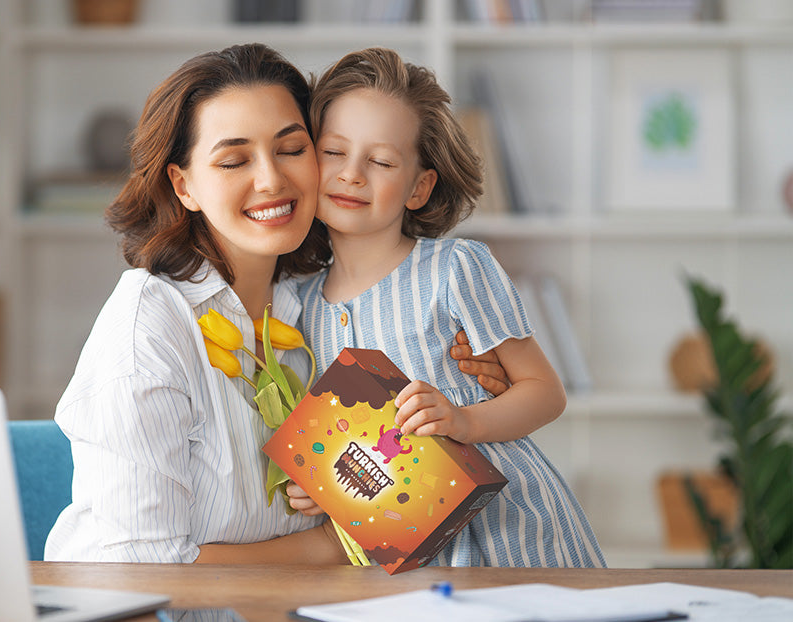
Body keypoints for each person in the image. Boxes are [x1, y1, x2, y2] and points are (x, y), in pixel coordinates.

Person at [43, 43, 508, 565]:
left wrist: (467, 372)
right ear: (184, 185)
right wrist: (331, 545)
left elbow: (390, 484)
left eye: (291, 149)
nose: (271, 180)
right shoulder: (150, 326)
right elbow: (141, 571)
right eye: (233, 160)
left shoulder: (311, 308)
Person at [292, 48, 605, 567]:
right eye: (334, 152)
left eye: (382, 161)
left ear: (419, 186)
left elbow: (545, 393)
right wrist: (320, 488)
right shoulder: (299, 307)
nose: (351, 174)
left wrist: (463, 421)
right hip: (403, 557)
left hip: (512, 539)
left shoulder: (457, 268)